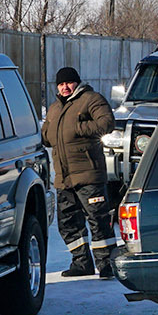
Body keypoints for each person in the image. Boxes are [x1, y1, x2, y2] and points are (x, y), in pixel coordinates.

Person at [42, 66, 118, 279]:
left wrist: (78, 128)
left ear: (77, 82)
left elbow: (107, 123)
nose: (64, 87)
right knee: (68, 223)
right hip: (63, 177)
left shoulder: (91, 99)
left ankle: (106, 265)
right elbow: (47, 136)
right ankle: (81, 263)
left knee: (98, 220)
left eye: (68, 83)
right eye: (60, 84)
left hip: (88, 174)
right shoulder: (54, 108)